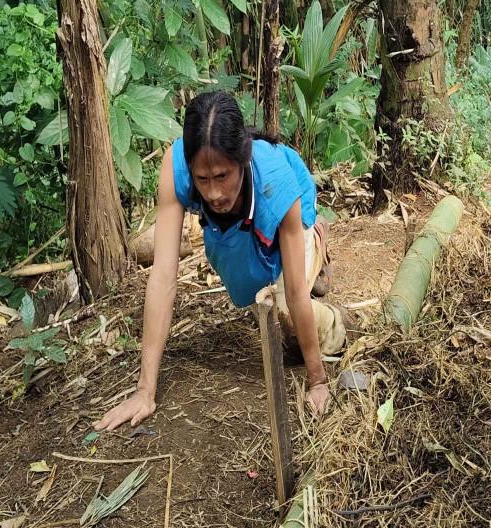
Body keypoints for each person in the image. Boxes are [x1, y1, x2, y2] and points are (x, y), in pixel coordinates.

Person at [94, 91, 353, 431]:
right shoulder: (176, 168)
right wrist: (145, 391)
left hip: (287, 210)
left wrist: (317, 381)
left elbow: (293, 295)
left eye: (223, 177)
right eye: (203, 179)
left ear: (242, 160)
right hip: (241, 224)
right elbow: (163, 277)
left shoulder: (278, 180)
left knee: (283, 313)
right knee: (247, 287)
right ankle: (278, 259)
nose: (213, 192)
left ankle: (319, 252)